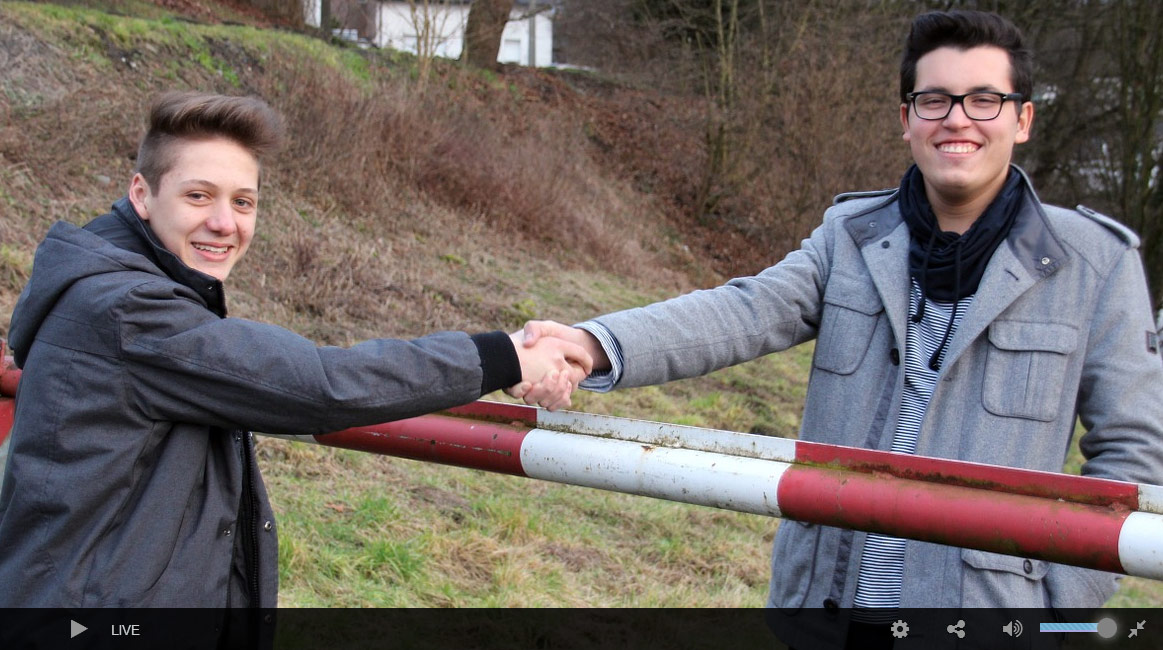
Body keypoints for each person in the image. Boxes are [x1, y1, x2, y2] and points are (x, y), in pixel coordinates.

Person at [510, 9, 1163, 648]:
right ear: (905, 119)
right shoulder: (850, 237)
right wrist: (593, 345)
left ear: (1021, 119)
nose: (957, 119)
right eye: (933, 100)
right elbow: (743, 311)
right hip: (825, 615)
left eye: (983, 100)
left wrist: (1055, 601)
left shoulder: (1095, 264)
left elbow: (1136, 452)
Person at [0, 92, 590, 638]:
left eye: (243, 201)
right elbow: (321, 384)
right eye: (198, 195)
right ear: (141, 195)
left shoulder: (124, 289)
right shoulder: (130, 309)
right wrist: (504, 354)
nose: (225, 223)